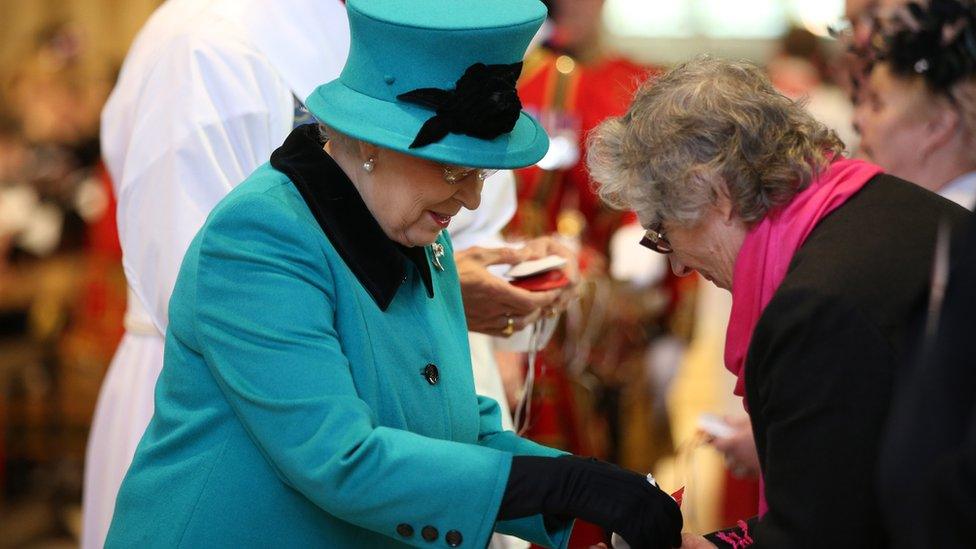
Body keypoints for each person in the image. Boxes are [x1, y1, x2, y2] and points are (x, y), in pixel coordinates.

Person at [104, 1, 683, 548]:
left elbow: (453, 426)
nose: (475, 201)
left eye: (482, 173)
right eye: (457, 168)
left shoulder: (409, 227)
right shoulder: (259, 237)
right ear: (378, 142)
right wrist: (565, 489)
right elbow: (340, 458)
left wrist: (589, 485)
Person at [588, 56, 970, 547]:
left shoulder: (815, 308)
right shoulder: (873, 202)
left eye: (662, 230)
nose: (678, 265)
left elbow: (824, 536)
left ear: (713, 192)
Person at [853, 0, 976, 210]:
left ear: (938, 125)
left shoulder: (960, 230)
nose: (856, 120)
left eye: (877, 105)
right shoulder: (923, 219)